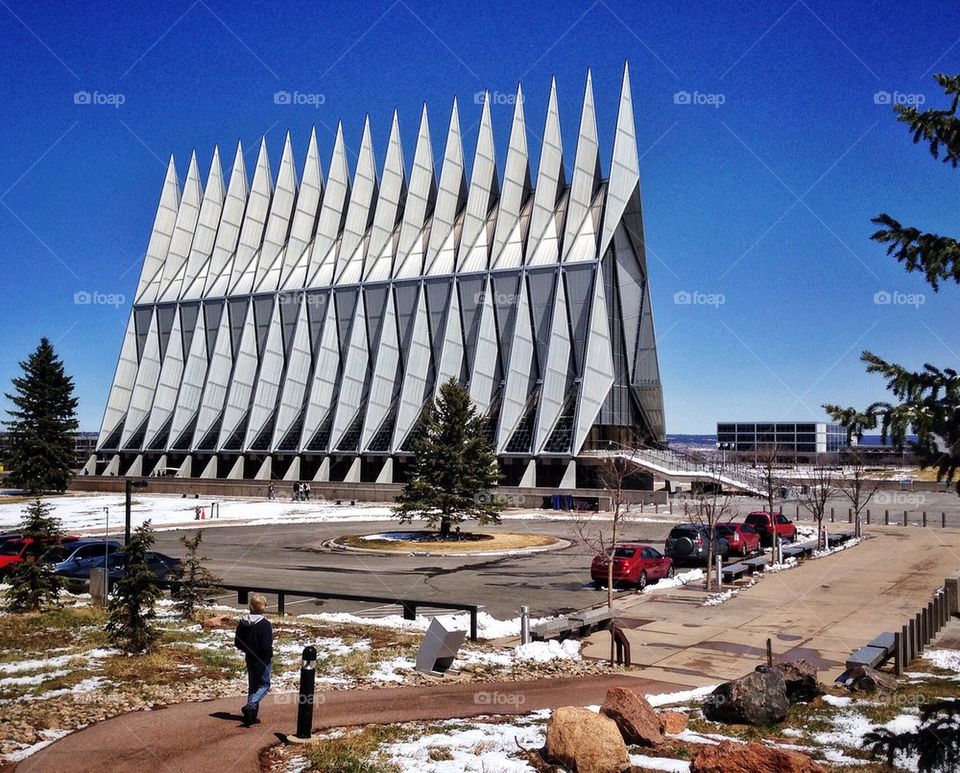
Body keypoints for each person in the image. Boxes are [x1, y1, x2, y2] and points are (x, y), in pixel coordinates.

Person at [234, 594, 273, 726]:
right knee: (265, 685)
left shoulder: (243, 623)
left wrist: (247, 650)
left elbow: (237, 641)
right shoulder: (264, 624)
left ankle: (251, 715)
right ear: (263, 607)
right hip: (262, 659)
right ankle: (251, 705)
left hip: (249, 657)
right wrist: (268, 655)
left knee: (253, 685)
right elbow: (266, 646)